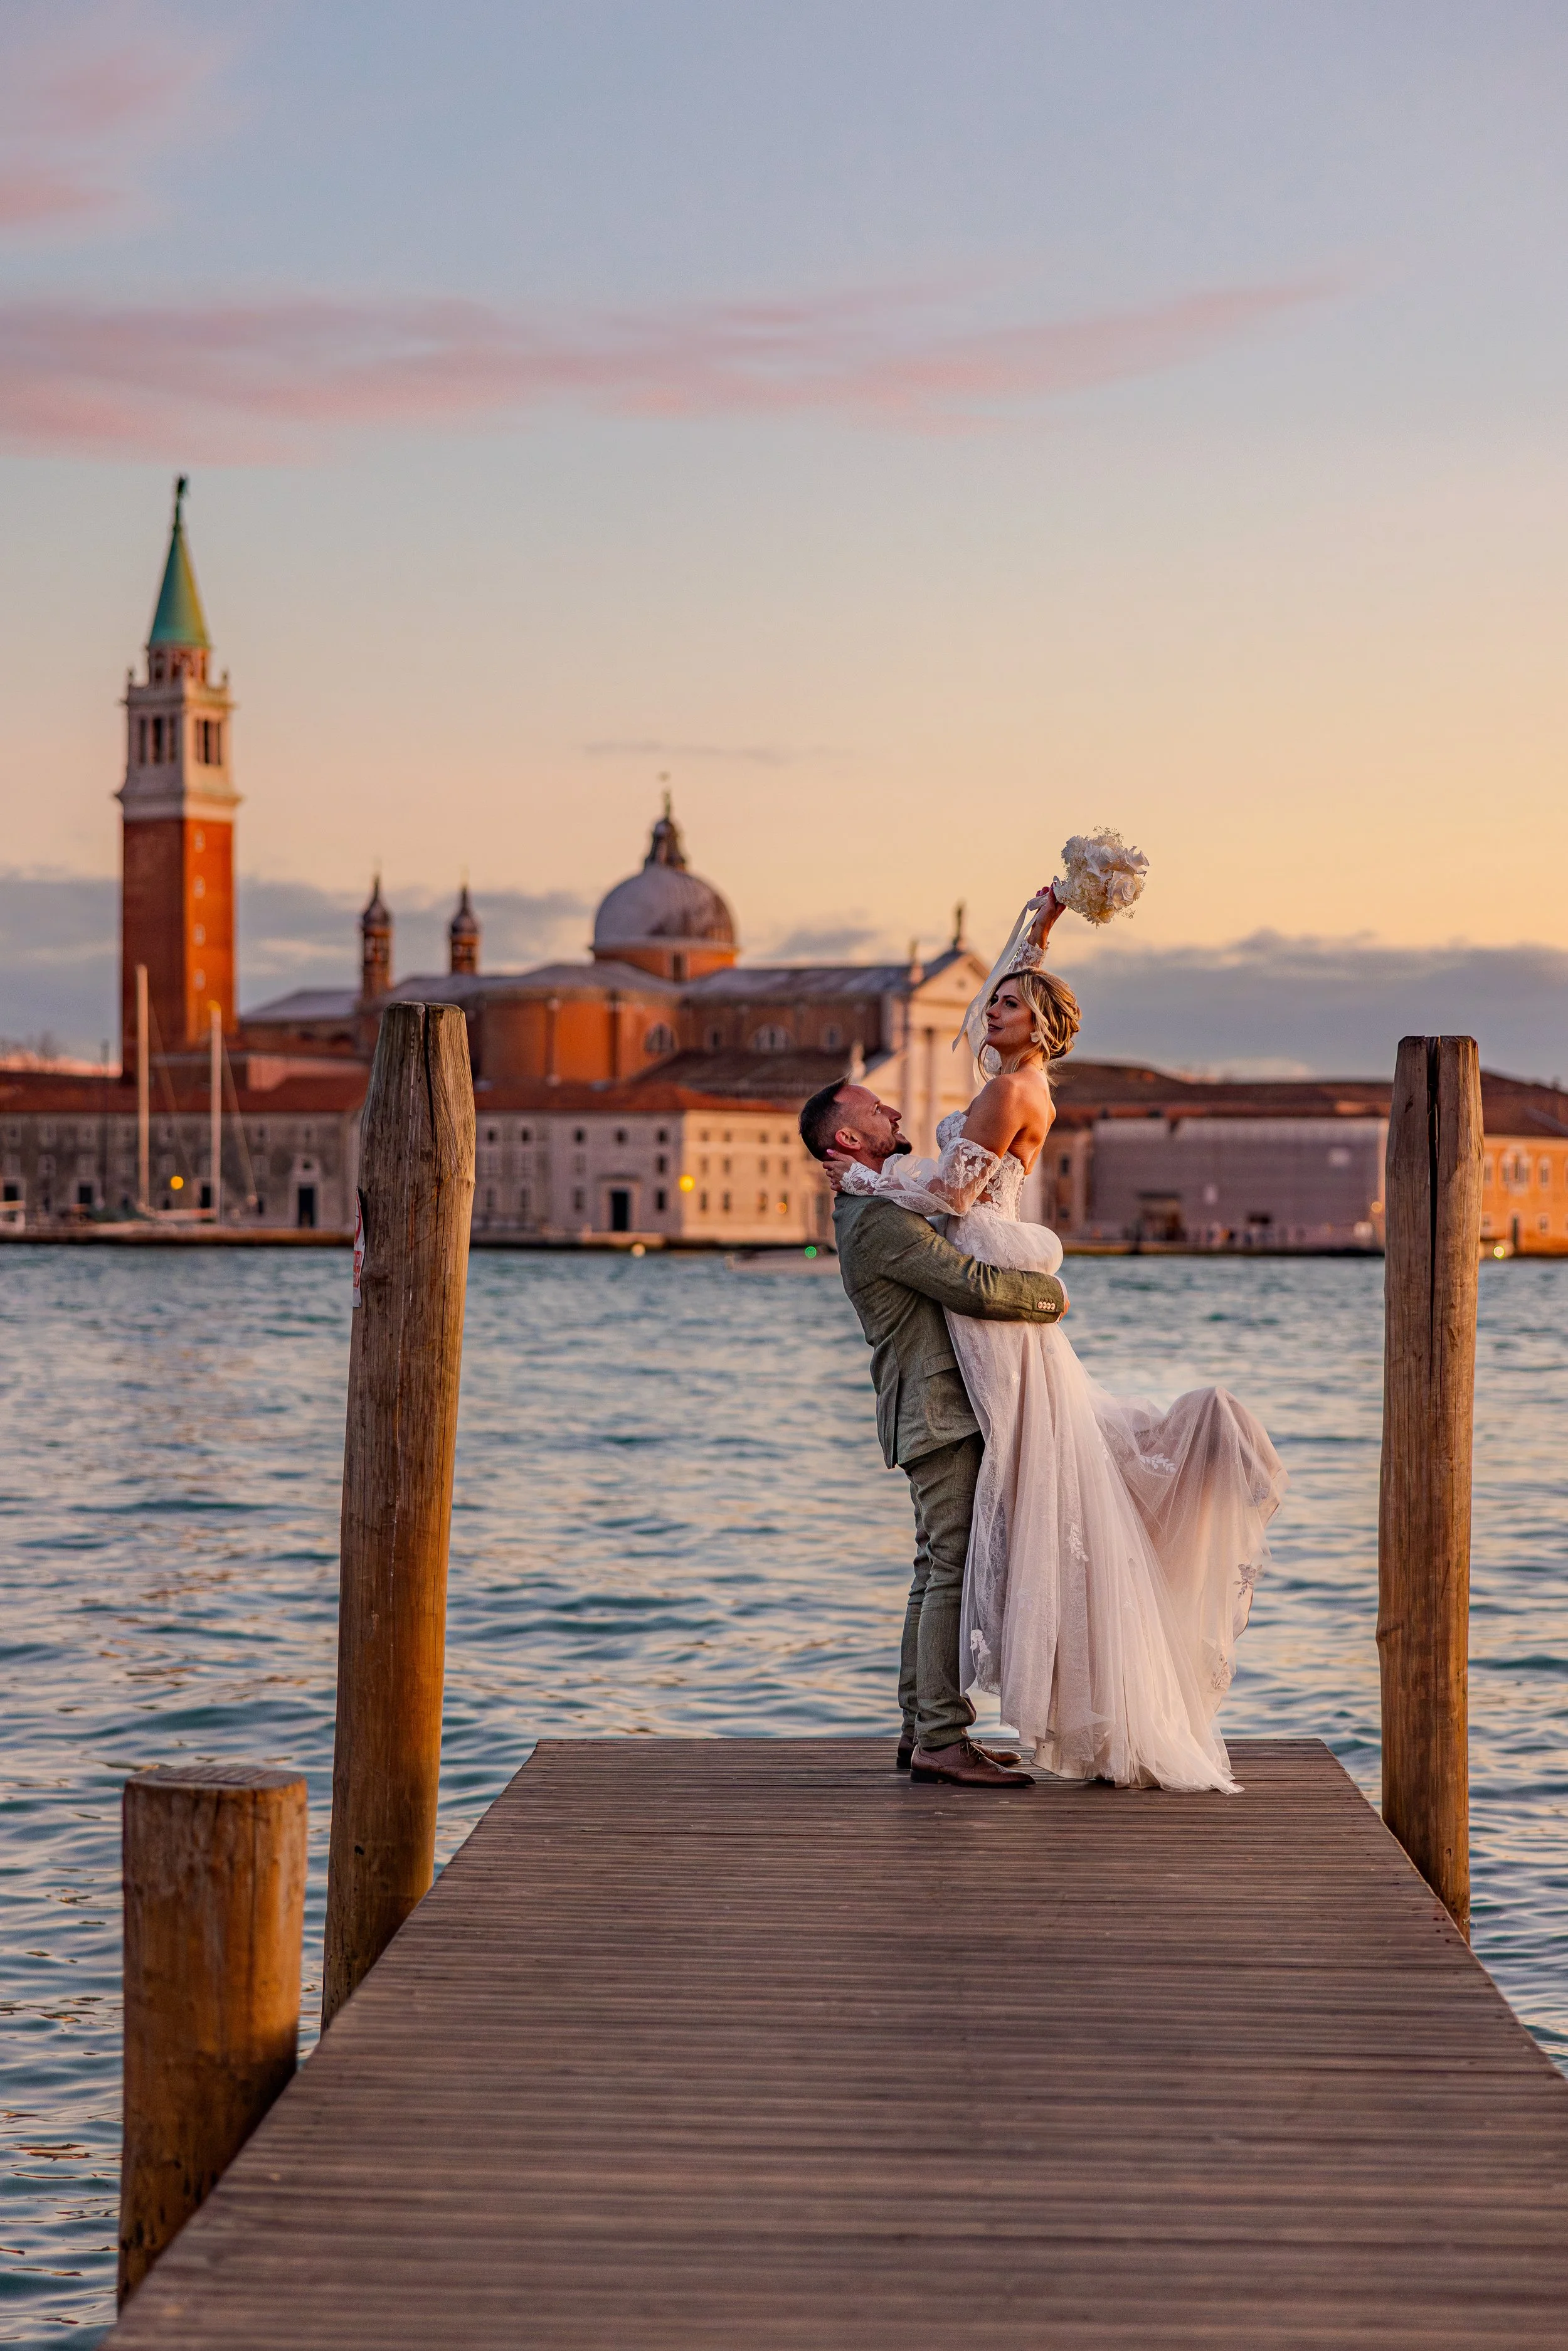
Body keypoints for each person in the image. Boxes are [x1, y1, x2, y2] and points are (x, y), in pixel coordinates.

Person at [818, 886, 1287, 1792]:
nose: (986, 1008)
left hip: (990, 1283)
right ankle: (939, 1731)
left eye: (1005, 1003)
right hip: (981, 1280)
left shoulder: (1009, 1089)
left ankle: (942, 1731)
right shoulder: (1013, 1070)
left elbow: (949, 1198)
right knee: (996, 1516)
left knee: (1017, 1496)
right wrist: (1041, 926)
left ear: (1033, 1028)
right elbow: (982, 1006)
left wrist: (868, 1181)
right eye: (993, 998)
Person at [800, 1076, 1069, 1789]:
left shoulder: (872, 1203)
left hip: (926, 1410)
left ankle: (921, 1728)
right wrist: (1051, 1295)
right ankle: (941, 1740)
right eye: (874, 1110)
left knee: (933, 1569)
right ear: (848, 1139)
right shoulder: (879, 1221)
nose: (893, 1110)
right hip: (937, 1412)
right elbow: (971, 1285)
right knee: (948, 1566)